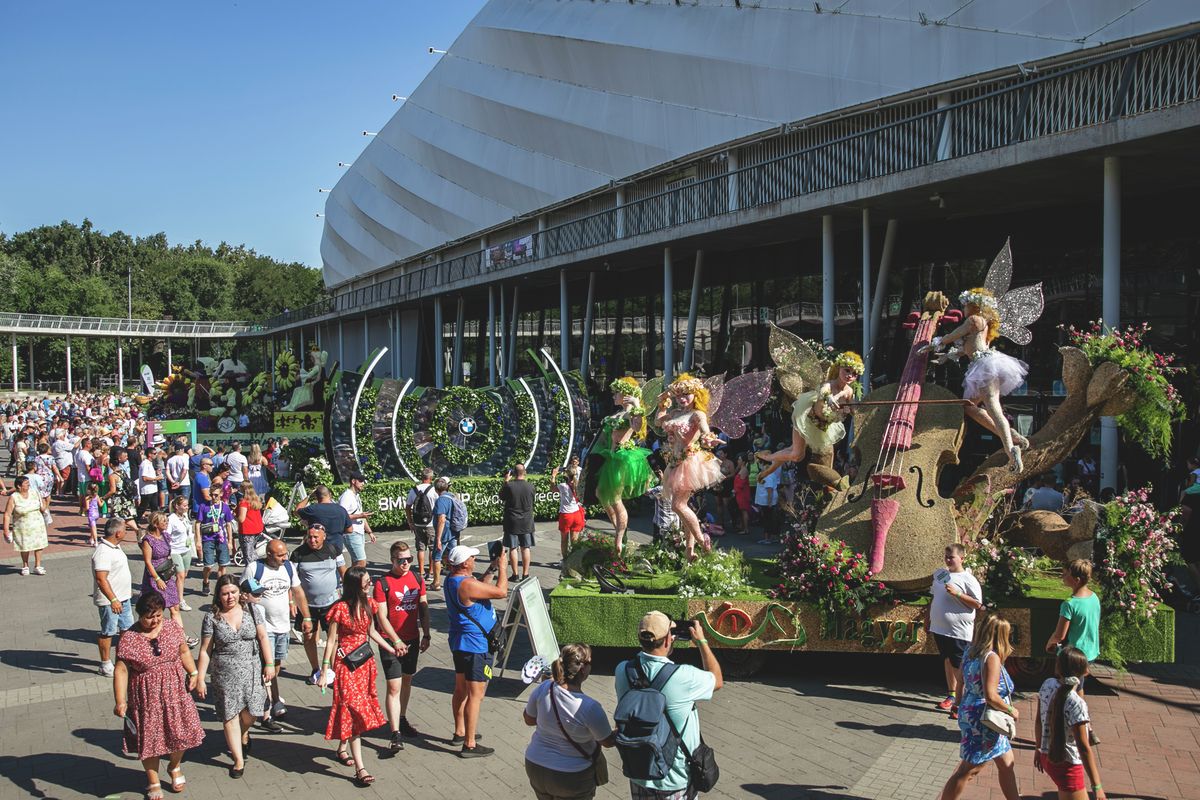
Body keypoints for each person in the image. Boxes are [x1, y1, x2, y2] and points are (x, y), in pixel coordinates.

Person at [614, 611, 723, 800]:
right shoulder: (683, 676)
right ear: (667, 641)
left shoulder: (623, 669)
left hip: (640, 773)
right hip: (674, 777)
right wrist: (702, 642)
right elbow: (717, 680)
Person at [922, 288, 1031, 472]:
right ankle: (1010, 435)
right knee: (969, 407)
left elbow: (952, 336)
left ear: (973, 306)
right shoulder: (979, 326)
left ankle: (1011, 450)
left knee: (994, 408)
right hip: (981, 366)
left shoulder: (974, 320)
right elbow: (966, 349)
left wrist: (933, 343)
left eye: (965, 305)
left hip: (984, 367)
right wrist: (945, 357)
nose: (963, 309)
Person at [113, 592, 205, 800]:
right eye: (150, 616)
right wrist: (120, 701)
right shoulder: (128, 638)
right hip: (146, 699)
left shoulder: (172, 627)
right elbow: (121, 670)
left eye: (158, 615)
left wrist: (193, 672)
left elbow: (183, 652)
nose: (155, 620)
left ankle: (174, 766)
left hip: (175, 693)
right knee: (150, 741)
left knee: (180, 735)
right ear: (140, 615)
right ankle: (153, 781)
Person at [318, 566, 401, 786]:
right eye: (366, 581)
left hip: (365, 664)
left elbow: (372, 632)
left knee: (352, 709)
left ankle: (342, 748)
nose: (370, 583)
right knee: (354, 712)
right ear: (356, 584)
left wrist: (391, 648)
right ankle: (360, 769)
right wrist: (325, 669)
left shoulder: (369, 604)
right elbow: (332, 640)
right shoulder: (340, 609)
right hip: (346, 665)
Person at [195, 575, 276, 779]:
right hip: (224, 672)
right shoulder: (212, 617)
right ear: (218, 595)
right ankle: (238, 760)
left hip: (252, 668)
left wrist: (269, 663)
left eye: (233, 592)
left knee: (253, 711)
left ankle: (243, 732)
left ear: (240, 592)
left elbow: (263, 637)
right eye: (225, 593)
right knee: (230, 716)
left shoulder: (251, 610)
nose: (230, 597)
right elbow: (205, 650)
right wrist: (200, 678)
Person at [939, 614, 1020, 800]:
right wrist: (1011, 710)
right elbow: (991, 696)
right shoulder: (991, 658)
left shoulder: (970, 651)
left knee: (1007, 761)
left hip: (970, 711)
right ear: (1000, 635)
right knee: (969, 768)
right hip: (984, 719)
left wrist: (958, 704)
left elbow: (960, 680)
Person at [758, 351, 863, 491]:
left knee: (823, 453)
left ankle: (769, 468)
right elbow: (823, 391)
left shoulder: (849, 391)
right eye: (847, 370)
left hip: (823, 428)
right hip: (806, 421)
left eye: (854, 373)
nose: (850, 375)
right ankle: (768, 457)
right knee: (796, 455)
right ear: (839, 368)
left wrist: (863, 409)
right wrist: (829, 398)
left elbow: (855, 410)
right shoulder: (829, 385)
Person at [523, 644, 615, 800]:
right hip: (571, 775)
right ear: (583, 669)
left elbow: (529, 719)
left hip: (535, 765)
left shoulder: (544, 687)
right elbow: (607, 741)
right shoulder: (590, 707)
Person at [444, 544, 508, 757]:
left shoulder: (453, 580)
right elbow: (501, 592)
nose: (474, 559)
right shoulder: (466, 585)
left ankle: (460, 732)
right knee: (476, 694)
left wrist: (491, 569)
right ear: (464, 563)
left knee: (460, 689)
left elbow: (479, 588)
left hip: (461, 642)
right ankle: (470, 744)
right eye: (472, 557)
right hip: (476, 646)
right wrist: (504, 568)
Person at [244, 537, 311, 728]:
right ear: (269, 554)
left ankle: (272, 697)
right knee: (267, 665)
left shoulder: (288, 567)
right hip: (264, 628)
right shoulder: (254, 568)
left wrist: (306, 617)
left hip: (283, 627)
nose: (284, 558)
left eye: (285, 554)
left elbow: (297, 591)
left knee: (276, 665)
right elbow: (243, 592)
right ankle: (267, 710)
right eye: (280, 555)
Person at [656, 374, 723, 562]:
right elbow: (657, 422)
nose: (682, 398)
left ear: (696, 394)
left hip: (689, 463)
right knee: (682, 507)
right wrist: (662, 404)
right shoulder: (676, 413)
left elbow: (704, 431)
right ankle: (689, 550)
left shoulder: (697, 414)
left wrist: (710, 438)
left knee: (678, 506)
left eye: (686, 394)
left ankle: (703, 541)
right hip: (674, 462)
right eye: (679, 395)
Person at [373, 540, 432, 752]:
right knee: (394, 686)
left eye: (409, 559)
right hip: (390, 642)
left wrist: (426, 634)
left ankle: (402, 717)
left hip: (412, 639)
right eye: (401, 560)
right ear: (392, 560)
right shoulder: (382, 583)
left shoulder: (417, 578)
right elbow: (381, 616)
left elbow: (424, 608)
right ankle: (395, 732)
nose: (406, 563)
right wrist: (395, 641)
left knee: (407, 680)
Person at [1035, 646, 1107, 800]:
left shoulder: (1047, 685)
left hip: (1047, 757)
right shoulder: (1076, 703)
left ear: (1058, 667)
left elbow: (1038, 722)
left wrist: (1038, 748)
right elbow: (1083, 747)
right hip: (1067, 766)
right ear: (1085, 671)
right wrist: (1097, 786)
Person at [591, 377, 653, 553]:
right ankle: (619, 530)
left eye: (615, 393)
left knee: (616, 499)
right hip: (611, 457)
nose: (612, 396)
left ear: (625, 395)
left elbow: (638, 426)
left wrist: (637, 404)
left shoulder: (631, 412)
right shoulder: (617, 414)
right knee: (601, 494)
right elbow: (605, 437)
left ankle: (619, 540)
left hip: (622, 458)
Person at [1044, 559, 1101, 745]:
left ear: (1076, 579)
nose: (1063, 576)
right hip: (1089, 653)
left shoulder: (1069, 604)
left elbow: (1060, 634)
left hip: (1072, 656)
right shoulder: (1094, 598)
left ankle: (1063, 732)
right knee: (1080, 688)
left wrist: (1049, 643)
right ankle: (1088, 728)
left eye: (1066, 573)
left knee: (1063, 694)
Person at [926, 544, 984, 718]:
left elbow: (978, 605)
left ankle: (964, 701)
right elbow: (934, 598)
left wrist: (958, 594)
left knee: (960, 665)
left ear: (962, 558)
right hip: (939, 628)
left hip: (958, 631)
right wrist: (928, 618)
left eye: (951, 557)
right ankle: (952, 695)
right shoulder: (940, 576)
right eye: (946, 556)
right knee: (948, 661)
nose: (948, 560)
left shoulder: (968, 579)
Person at [291, 523, 346, 676]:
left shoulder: (334, 550)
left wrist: (348, 597)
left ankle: (330, 672)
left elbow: (344, 572)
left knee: (334, 638)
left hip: (332, 603)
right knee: (308, 637)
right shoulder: (298, 554)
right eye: (309, 537)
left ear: (324, 537)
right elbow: (291, 580)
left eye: (316, 537)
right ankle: (315, 670)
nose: (312, 540)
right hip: (307, 606)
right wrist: (292, 602)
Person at [94, 517, 136, 676]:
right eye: (125, 529)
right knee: (108, 631)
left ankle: (124, 659)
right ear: (118, 533)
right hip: (110, 601)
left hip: (124, 599)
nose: (126, 531)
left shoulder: (115, 547)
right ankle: (105, 664)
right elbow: (101, 579)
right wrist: (113, 599)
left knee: (127, 630)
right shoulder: (103, 552)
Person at [140, 512, 189, 635]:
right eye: (164, 521)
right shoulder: (148, 540)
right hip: (155, 576)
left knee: (175, 607)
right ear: (156, 524)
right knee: (155, 608)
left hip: (167, 575)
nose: (167, 523)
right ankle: (151, 633)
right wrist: (157, 579)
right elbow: (147, 562)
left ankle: (181, 636)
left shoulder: (166, 536)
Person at [296, 485, 353, 571]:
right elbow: (350, 529)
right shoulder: (341, 510)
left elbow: (297, 510)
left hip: (318, 549)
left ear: (316, 496)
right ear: (329, 494)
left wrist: (309, 496)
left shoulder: (312, 509)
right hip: (336, 549)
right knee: (341, 573)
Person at [3, 474, 49, 576]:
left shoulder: (35, 493)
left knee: (39, 544)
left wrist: (45, 502)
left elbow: (42, 508)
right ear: (19, 486)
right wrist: (6, 530)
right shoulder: (14, 497)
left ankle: (38, 565)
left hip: (37, 524)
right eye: (26, 483)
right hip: (22, 527)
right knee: (24, 546)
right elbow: (7, 514)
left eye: (29, 483)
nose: (29, 485)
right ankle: (25, 565)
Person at [196, 473, 234, 593]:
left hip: (221, 538)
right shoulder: (204, 506)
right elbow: (197, 523)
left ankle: (220, 588)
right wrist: (198, 540)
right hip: (208, 538)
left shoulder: (225, 507)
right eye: (211, 495)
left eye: (216, 495)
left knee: (223, 565)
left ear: (221, 494)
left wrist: (230, 541)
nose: (213, 497)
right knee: (208, 565)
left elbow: (228, 524)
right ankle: (205, 581)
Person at [501, 464, 536, 580]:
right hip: (526, 521)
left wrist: (506, 481)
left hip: (512, 520)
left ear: (513, 473)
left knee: (513, 547)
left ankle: (515, 574)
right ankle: (525, 574)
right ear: (524, 472)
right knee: (526, 548)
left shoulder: (509, 486)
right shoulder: (531, 486)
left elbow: (501, 496)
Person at [405, 468, 438, 584]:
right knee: (432, 548)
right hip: (431, 523)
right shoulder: (434, 490)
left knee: (420, 548)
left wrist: (410, 522)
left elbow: (408, 506)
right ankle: (431, 572)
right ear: (431, 478)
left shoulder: (414, 490)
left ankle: (421, 572)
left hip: (418, 523)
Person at [338, 472, 375, 570]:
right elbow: (341, 516)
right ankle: (356, 581)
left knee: (356, 561)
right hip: (351, 533)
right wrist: (360, 515)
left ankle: (352, 582)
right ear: (353, 481)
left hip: (359, 532)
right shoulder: (346, 496)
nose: (363, 483)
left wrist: (369, 532)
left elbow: (362, 516)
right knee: (361, 561)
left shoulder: (356, 496)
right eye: (361, 481)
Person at [166, 496, 196, 611]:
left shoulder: (185, 517)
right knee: (180, 575)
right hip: (175, 551)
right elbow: (167, 536)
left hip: (186, 549)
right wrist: (167, 552)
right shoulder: (171, 519)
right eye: (184, 506)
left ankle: (175, 592)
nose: (186, 507)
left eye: (187, 505)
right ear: (177, 506)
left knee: (184, 575)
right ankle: (180, 600)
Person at [551, 467, 586, 563]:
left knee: (564, 540)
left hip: (566, 515)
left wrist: (553, 476)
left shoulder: (563, 486)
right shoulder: (578, 485)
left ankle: (565, 560)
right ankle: (575, 561)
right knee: (575, 541)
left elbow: (553, 489)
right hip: (577, 514)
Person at [430, 476, 458, 589]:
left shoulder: (441, 500)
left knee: (436, 557)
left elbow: (441, 519)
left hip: (444, 532)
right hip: (453, 530)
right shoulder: (453, 496)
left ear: (436, 489)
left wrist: (438, 538)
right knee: (453, 556)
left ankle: (436, 583)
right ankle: (455, 579)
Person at [753, 455, 781, 545]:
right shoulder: (766, 473)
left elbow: (770, 490)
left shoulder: (768, 474)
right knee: (769, 519)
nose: (759, 465)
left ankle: (767, 538)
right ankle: (772, 537)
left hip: (767, 501)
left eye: (760, 463)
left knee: (768, 519)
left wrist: (769, 502)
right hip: (765, 501)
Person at [235, 482, 265, 566]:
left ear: (243, 489)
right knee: (253, 551)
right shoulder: (256, 500)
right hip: (257, 529)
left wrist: (233, 517)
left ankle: (251, 572)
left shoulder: (244, 502)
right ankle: (256, 568)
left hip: (247, 531)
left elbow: (241, 519)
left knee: (248, 555)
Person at [85, 482, 102, 546]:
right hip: (97, 514)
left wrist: (84, 510)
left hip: (91, 514)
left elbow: (87, 508)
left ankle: (96, 541)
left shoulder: (87, 498)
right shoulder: (97, 496)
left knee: (93, 527)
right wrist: (102, 501)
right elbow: (100, 505)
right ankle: (91, 539)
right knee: (92, 527)